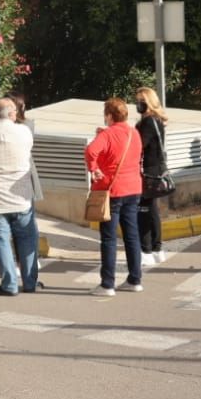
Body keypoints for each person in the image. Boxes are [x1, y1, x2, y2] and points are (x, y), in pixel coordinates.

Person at [0, 96, 40, 295]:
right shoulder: (24, 131)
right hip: (20, 197)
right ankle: (30, 282)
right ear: (12, 113)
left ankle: (9, 284)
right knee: (28, 239)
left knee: (1, 241)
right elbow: (28, 150)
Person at [84, 96, 144, 294]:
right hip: (134, 188)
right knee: (132, 236)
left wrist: (94, 168)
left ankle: (107, 283)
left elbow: (91, 150)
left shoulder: (107, 134)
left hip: (113, 190)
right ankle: (135, 280)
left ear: (109, 115)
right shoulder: (134, 133)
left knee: (109, 238)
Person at [133, 85, 169, 266]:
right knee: (152, 210)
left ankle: (146, 251)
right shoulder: (157, 120)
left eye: (141, 101)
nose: (138, 105)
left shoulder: (147, 122)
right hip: (157, 170)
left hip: (148, 172)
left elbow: (139, 145)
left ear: (149, 103)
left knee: (144, 211)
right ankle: (157, 249)